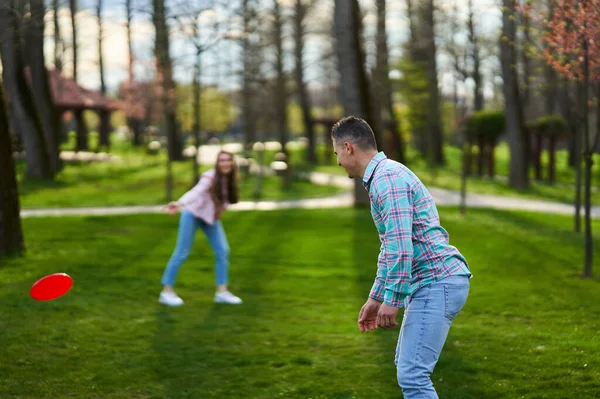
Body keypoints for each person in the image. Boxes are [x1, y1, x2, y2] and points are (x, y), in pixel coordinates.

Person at [331, 116, 472, 398]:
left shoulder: (388, 180)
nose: (337, 162)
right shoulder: (383, 177)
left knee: (413, 376)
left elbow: (400, 248)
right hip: (433, 283)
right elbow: (389, 248)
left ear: (348, 147)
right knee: (407, 368)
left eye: (336, 153)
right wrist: (375, 297)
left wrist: (392, 300)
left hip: (437, 282)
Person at [158, 150, 243, 306]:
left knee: (223, 251)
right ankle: (166, 292)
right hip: (192, 215)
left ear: (232, 162)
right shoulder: (209, 178)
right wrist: (179, 203)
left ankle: (222, 292)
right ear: (217, 163)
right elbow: (195, 192)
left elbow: (226, 201)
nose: (225, 163)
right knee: (182, 252)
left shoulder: (230, 180)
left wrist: (219, 211)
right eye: (221, 160)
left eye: (228, 160)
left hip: (210, 219)